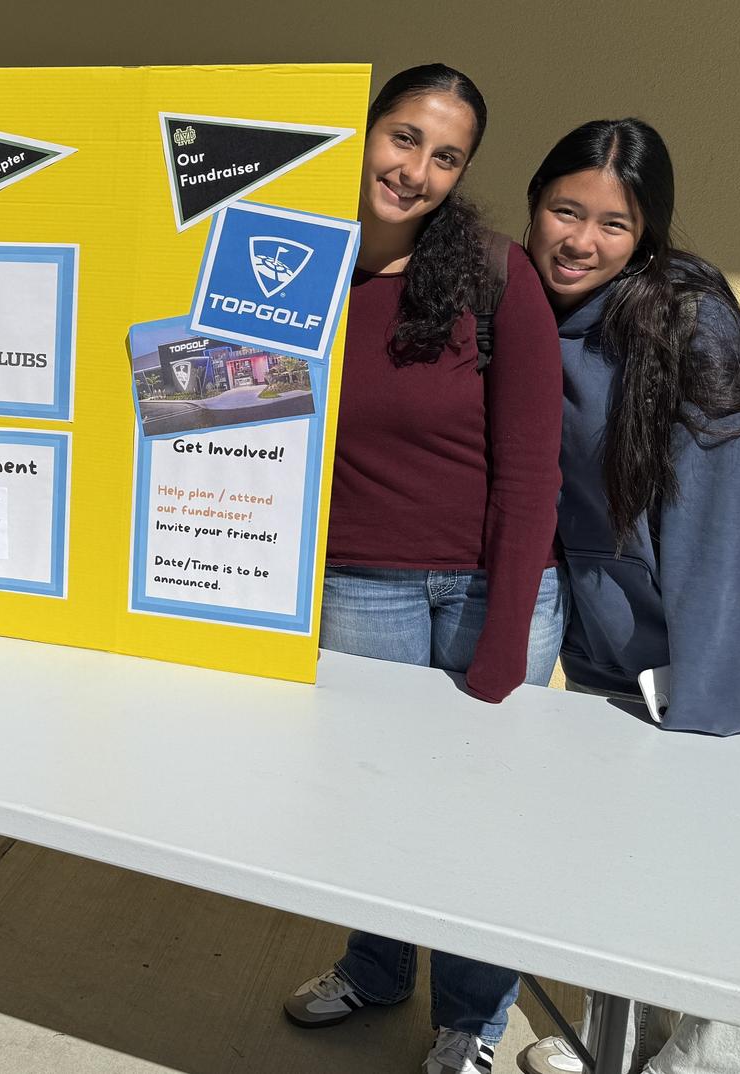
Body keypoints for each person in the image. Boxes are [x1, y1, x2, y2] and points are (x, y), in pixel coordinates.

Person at [514, 119, 740, 1074]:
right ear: (534, 204)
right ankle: (625, 1051)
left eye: (613, 223)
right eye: (565, 209)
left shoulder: (693, 332)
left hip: (736, 681)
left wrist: (716, 719)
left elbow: (733, 544)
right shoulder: (538, 315)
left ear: (649, 234)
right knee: (641, 888)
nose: (580, 240)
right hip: (625, 668)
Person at [280, 64, 566, 1074]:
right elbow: (217, 410)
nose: (417, 170)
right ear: (360, 132)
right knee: (370, 798)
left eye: (446, 156)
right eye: (403, 138)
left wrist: (497, 652)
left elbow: (533, 470)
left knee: (476, 817)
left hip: (494, 590)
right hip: (359, 583)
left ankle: (472, 1019)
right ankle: (376, 968)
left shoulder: (494, 275)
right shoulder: (290, 262)